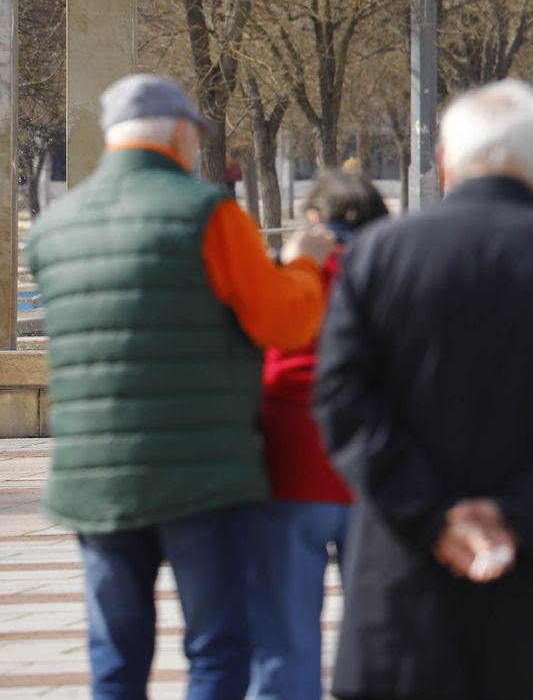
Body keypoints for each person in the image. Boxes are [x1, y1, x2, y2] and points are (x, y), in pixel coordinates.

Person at [315, 80, 533, 700]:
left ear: (445, 161)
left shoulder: (379, 256)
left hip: (405, 574)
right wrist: (518, 514)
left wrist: (434, 515)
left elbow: (342, 400)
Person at [27, 74, 333, 699]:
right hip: (203, 478)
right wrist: (305, 261)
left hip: (95, 480)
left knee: (115, 653)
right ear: (178, 134)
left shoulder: (56, 228)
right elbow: (284, 321)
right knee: (217, 647)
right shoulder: (207, 214)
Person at [252, 170, 388, 700]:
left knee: (284, 642)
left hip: (289, 469)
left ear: (312, 218)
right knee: (378, 634)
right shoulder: (391, 273)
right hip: (371, 473)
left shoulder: (291, 274)